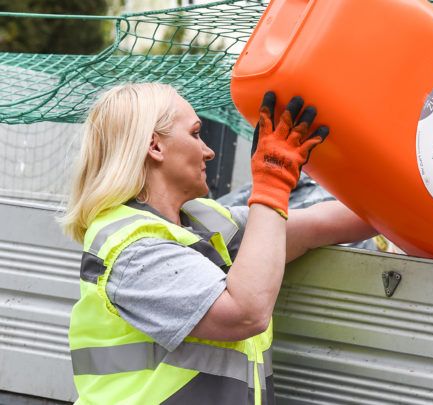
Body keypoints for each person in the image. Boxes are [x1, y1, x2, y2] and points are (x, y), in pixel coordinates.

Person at [60, 82, 376, 404]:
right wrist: (272, 183)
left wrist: (416, 199)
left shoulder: (202, 221)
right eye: (196, 133)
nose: (208, 151)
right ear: (155, 146)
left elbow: (321, 226)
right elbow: (245, 313)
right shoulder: (132, 250)